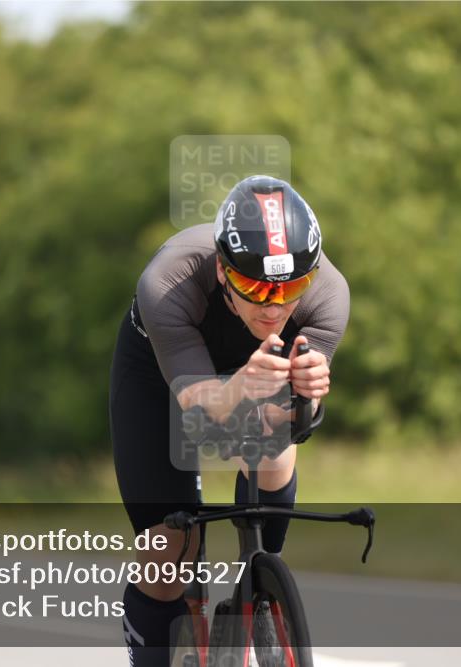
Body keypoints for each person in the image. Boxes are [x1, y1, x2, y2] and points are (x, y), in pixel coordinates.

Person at [110, 175, 349, 665]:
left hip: (256, 373)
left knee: (276, 452)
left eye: (291, 288)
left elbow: (294, 421)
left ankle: (258, 583)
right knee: (168, 551)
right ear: (223, 271)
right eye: (254, 286)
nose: (274, 306)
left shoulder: (328, 297)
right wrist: (239, 385)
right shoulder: (167, 283)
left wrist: (307, 396)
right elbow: (200, 409)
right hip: (163, 376)